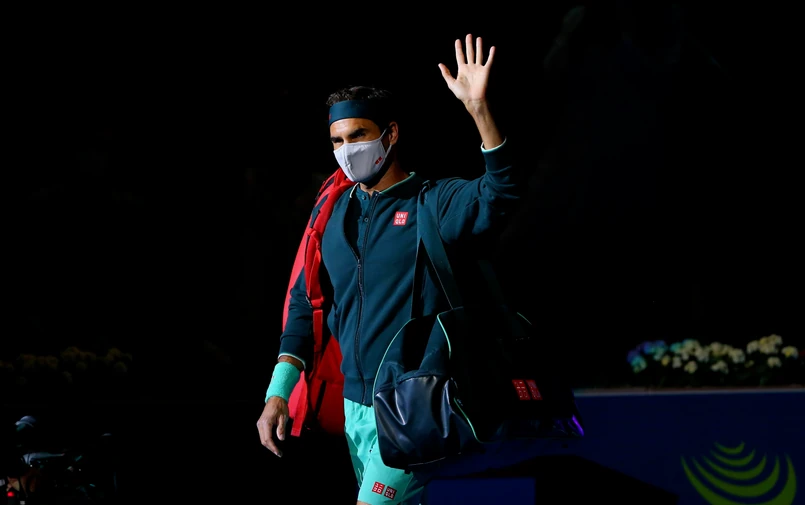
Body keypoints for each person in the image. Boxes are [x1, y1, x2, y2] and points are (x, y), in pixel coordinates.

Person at [256, 34, 528, 505]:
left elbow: (500, 192)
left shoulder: (431, 202)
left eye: (358, 135)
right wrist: (278, 393)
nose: (347, 149)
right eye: (337, 140)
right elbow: (304, 303)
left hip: (413, 401)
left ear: (391, 134)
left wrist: (479, 111)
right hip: (354, 410)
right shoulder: (332, 214)